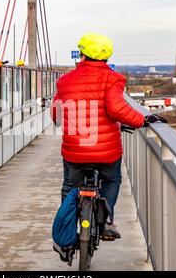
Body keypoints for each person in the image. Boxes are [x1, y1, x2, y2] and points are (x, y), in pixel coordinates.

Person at [51, 33, 166, 240]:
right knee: (112, 179)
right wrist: (142, 120)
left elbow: (56, 116)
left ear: (83, 54)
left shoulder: (64, 81)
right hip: (106, 152)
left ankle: (66, 235)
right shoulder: (113, 78)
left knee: (70, 187)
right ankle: (105, 221)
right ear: (106, 57)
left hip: (74, 150)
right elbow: (116, 108)